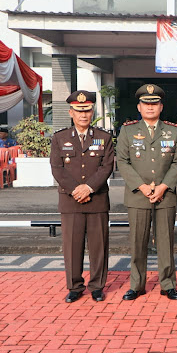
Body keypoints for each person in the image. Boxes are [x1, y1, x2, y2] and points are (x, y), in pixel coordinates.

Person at [116, 84, 177, 301]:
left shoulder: (173, 131)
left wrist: (164, 186)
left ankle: (168, 284)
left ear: (161, 106)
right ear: (139, 106)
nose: (150, 107)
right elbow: (123, 162)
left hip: (165, 194)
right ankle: (136, 285)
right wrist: (143, 186)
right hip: (138, 194)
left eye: (154, 103)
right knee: (138, 242)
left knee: (165, 240)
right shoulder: (128, 131)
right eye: (146, 104)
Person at [50, 91, 114, 303]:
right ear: (71, 112)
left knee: (98, 246)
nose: (83, 115)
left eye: (87, 110)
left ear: (92, 111)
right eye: (79, 111)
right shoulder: (59, 138)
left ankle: (97, 286)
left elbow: (106, 167)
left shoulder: (104, 137)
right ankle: (75, 286)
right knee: (72, 246)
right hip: (71, 200)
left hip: (97, 200)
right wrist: (76, 190)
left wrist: (89, 188)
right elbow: (57, 169)